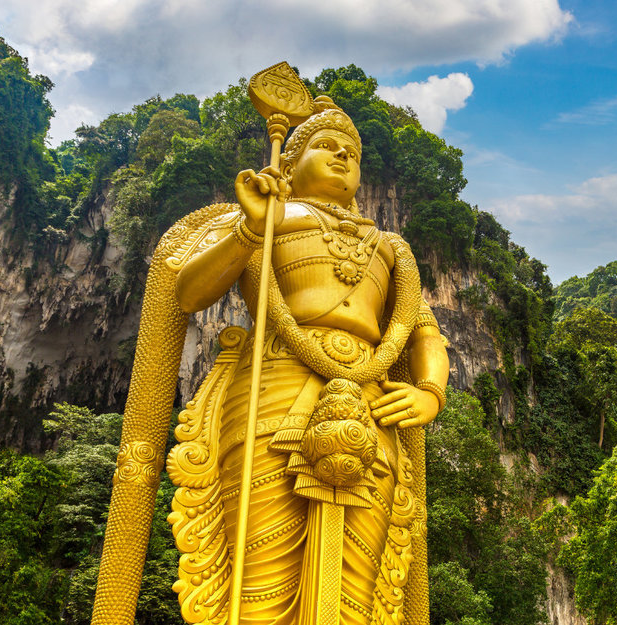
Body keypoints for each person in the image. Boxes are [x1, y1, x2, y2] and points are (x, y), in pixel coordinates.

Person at [163, 96, 449, 625]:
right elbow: (188, 293)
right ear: (290, 165)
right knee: (259, 575)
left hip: (368, 403)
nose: (342, 157)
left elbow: (424, 331)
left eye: (352, 153)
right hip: (273, 385)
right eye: (325, 146)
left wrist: (429, 390)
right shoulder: (268, 216)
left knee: (357, 588)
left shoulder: (387, 246)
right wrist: (250, 228)